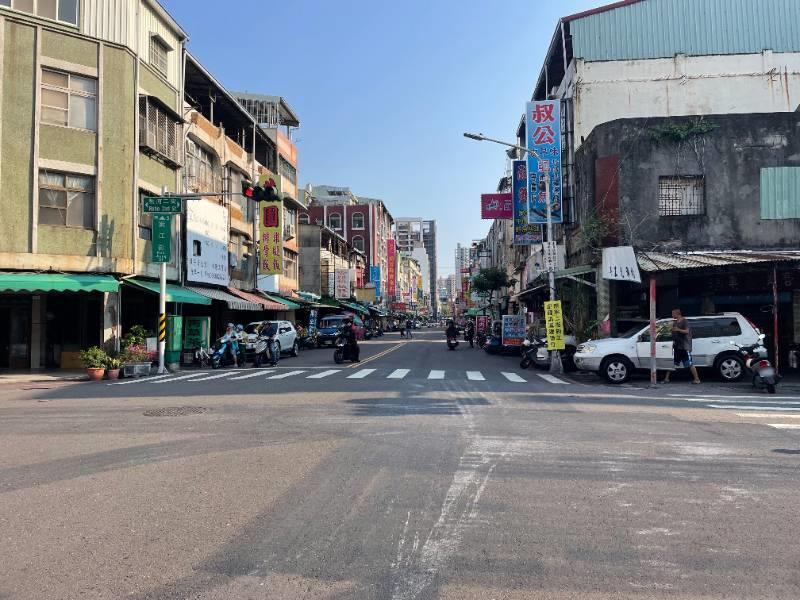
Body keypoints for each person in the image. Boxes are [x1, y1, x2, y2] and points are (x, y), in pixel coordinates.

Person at [662, 308, 701, 384]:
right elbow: (674, 332)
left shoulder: (685, 321)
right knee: (672, 363)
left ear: (677, 314)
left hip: (684, 346)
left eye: (673, 314)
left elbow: (687, 331)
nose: (672, 315)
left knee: (689, 363)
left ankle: (697, 379)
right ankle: (666, 378)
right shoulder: (675, 322)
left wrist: (678, 329)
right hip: (677, 346)